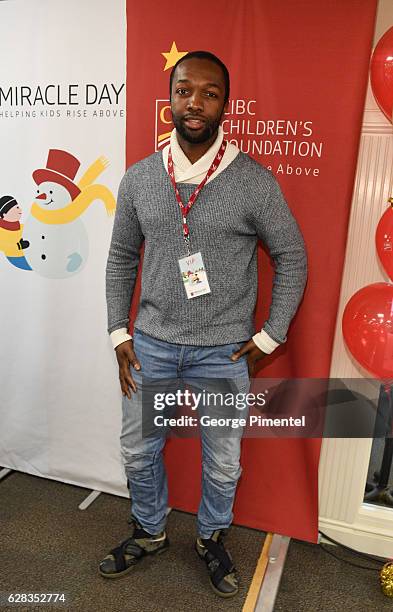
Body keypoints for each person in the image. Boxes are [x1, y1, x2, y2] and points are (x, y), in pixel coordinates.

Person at [101, 51, 307, 598]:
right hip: (151, 346)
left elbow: (292, 255)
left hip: (223, 354)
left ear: (224, 105)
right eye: (185, 90)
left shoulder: (253, 182)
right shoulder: (142, 178)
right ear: (169, 100)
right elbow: (122, 257)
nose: (195, 102)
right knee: (139, 452)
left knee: (223, 463)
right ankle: (148, 532)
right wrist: (118, 332)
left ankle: (211, 536)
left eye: (209, 93)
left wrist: (271, 334)